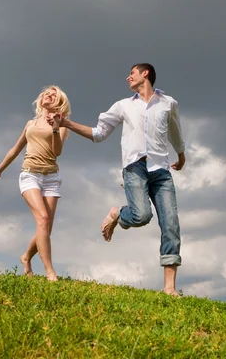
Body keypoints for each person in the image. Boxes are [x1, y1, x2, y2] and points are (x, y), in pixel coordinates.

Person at [47, 63, 186, 296]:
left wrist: (181, 157)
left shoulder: (168, 103)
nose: (127, 77)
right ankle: (117, 214)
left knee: (170, 224)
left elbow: (175, 131)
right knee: (141, 215)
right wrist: (66, 123)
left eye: (132, 73)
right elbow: (99, 133)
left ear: (146, 74)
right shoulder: (124, 106)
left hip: (161, 171)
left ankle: (169, 287)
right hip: (134, 168)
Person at [0, 85, 71, 282]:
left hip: (51, 177)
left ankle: (26, 257)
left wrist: (54, 128)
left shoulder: (61, 125)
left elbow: (57, 152)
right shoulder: (30, 124)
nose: (48, 96)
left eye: (53, 95)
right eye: (46, 94)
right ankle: (50, 271)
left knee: (46, 226)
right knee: (42, 219)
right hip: (30, 174)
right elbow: (15, 149)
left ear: (59, 102)